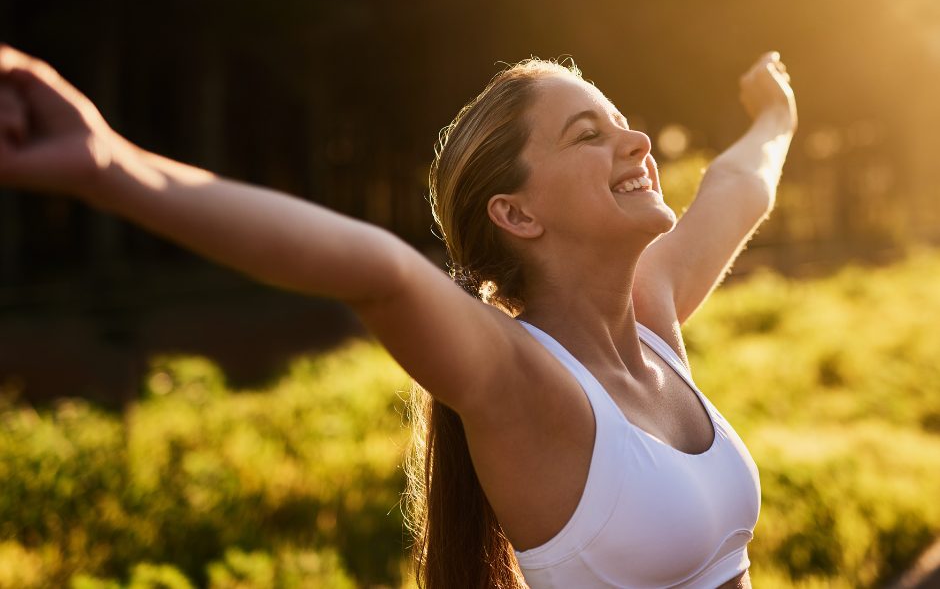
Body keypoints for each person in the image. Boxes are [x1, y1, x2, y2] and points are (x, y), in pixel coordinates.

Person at [0, 44, 796, 588]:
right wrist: (111, 167)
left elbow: (738, 187)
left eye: (622, 122)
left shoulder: (654, 321)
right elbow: (374, 271)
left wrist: (775, 116)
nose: (638, 141)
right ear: (516, 214)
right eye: (590, 134)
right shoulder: (523, 385)